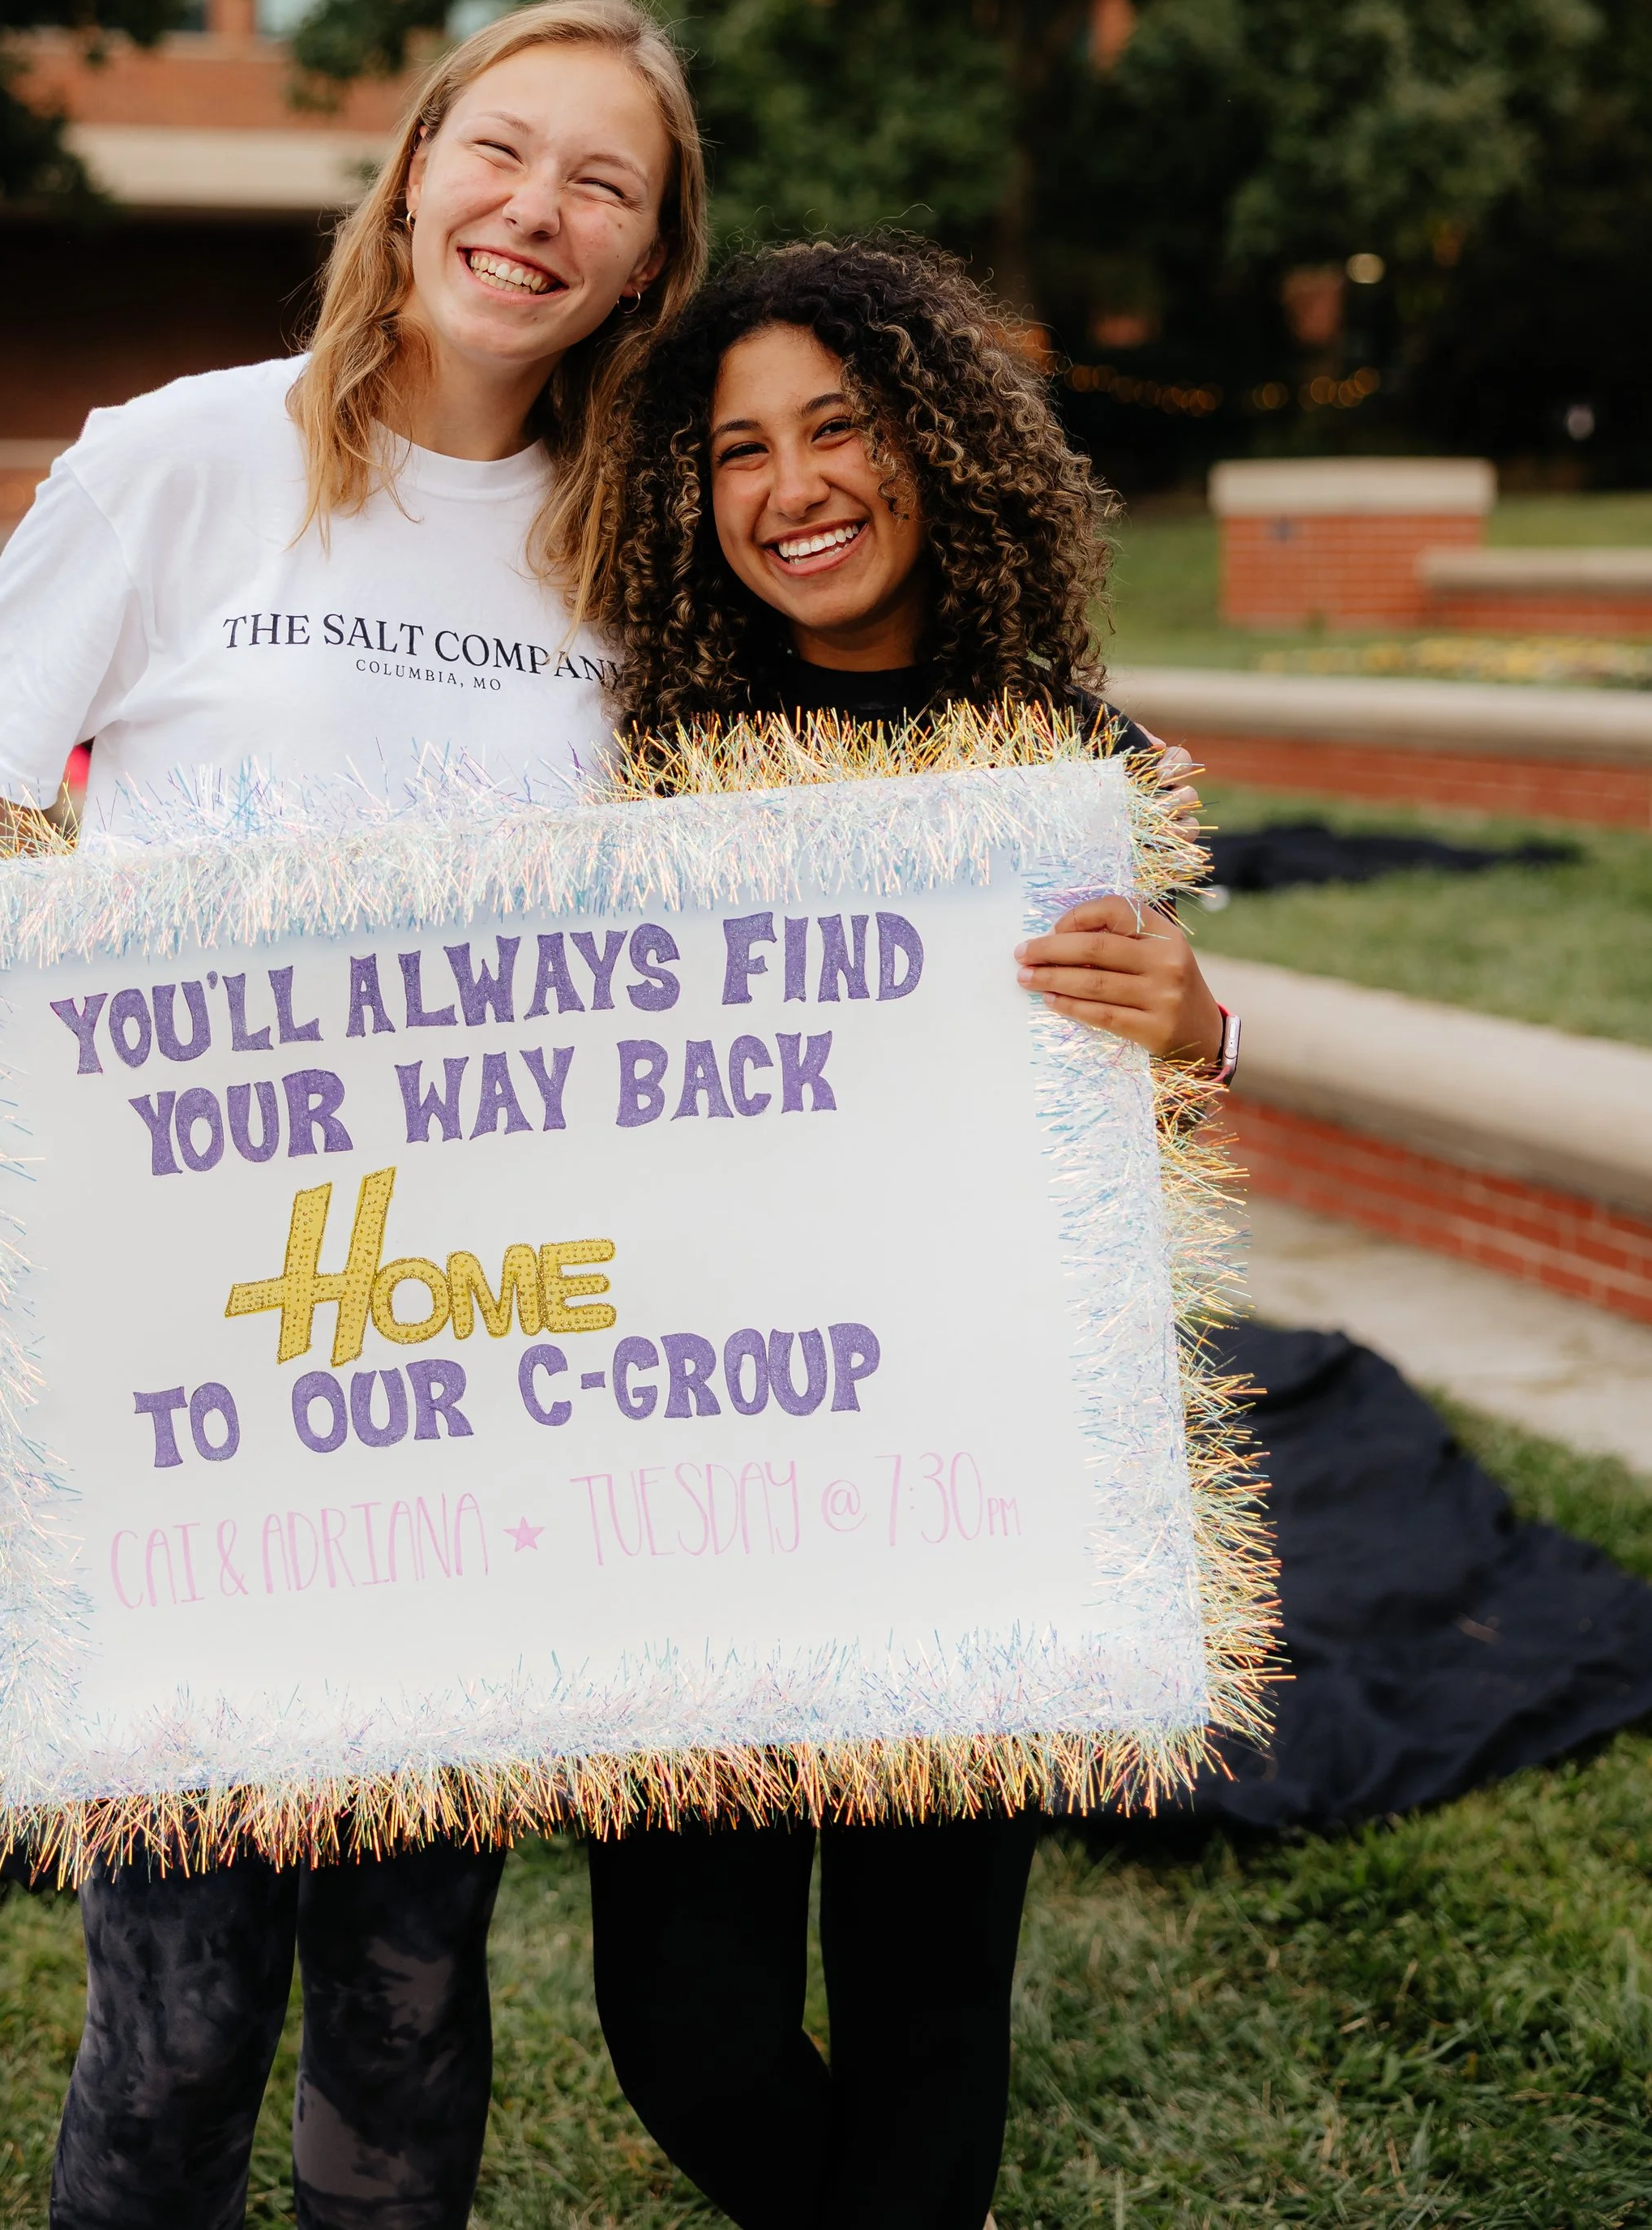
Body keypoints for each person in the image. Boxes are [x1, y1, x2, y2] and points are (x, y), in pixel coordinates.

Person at [0, 0, 708, 2230]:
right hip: (179, 1350)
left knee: (414, 1984)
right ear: (415, 165)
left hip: (473, 1357)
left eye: (599, 182)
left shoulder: (639, 548)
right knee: (174, 2008)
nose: (534, 209)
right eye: (501, 150)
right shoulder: (179, 452)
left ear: (649, 255)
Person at [585, 235, 1230, 2230]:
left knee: (928, 2011)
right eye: (736, 452)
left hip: (979, 1479)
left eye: (839, 427)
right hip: (693, 1487)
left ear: (940, 445)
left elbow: (1144, 1121)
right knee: (683, 2033)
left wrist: (1200, 1030)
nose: (792, 487)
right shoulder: (629, 774)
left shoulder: (1071, 773)